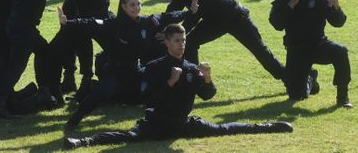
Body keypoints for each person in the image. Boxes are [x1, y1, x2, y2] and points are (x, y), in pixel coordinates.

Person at [64, 23, 293, 149]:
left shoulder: (192, 68)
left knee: (224, 129)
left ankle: (269, 126)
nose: (181, 44)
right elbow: (147, 99)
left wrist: (208, 77)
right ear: (166, 42)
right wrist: (170, 83)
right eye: (177, 40)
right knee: (127, 137)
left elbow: (207, 95)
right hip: (156, 124)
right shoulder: (154, 67)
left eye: (184, 40)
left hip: (182, 124)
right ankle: (84, 141)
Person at [54, 0, 184, 130]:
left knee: (147, 89)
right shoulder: (113, 24)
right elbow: (90, 23)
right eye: (132, 4)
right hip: (114, 70)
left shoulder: (146, 22)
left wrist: (189, 12)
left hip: (135, 70)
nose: (136, 7)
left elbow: (167, 17)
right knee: (104, 91)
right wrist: (68, 22)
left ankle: (167, 117)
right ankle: (74, 119)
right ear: (123, 6)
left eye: (138, 4)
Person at [167, 0, 285, 81]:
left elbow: (193, 19)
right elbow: (170, 13)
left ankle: (288, 77)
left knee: (259, 49)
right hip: (214, 22)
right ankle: (194, 78)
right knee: (190, 42)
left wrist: (175, 34)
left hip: (236, 18)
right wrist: (163, 29)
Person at [269, 0, 352, 108]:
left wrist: (336, 7)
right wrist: (292, 3)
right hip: (296, 49)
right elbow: (277, 24)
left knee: (341, 51)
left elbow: (338, 22)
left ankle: (342, 97)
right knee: (296, 95)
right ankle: (310, 78)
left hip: (318, 45)